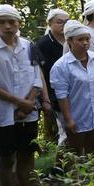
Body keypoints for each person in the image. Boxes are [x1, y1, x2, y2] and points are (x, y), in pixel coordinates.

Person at [0, 5, 43, 186]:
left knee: (27, 155)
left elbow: (37, 77)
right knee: (6, 158)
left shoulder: (28, 45)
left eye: (12, 21)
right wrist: (18, 103)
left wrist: (27, 104)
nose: (8, 26)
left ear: (19, 22)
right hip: (3, 113)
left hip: (27, 112)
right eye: (2, 22)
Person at [50, 20, 94, 156]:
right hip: (77, 115)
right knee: (74, 150)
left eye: (87, 39)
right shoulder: (61, 66)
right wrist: (68, 119)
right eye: (80, 40)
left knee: (92, 148)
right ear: (70, 41)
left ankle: (91, 175)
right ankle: (70, 175)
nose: (85, 43)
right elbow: (61, 95)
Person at [36, 8, 69, 145]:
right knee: (65, 130)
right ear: (50, 23)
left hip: (73, 92)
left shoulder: (72, 39)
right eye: (59, 22)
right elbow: (40, 72)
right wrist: (46, 99)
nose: (63, 25)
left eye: (66, 22)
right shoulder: (43, 43)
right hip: (54, 94)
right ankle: (61, 164)